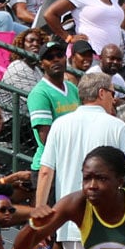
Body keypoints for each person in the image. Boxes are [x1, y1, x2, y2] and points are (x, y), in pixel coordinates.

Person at [34, 73, 125, 249]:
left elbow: (45, 173)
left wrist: (40, 219)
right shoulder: (116, 125)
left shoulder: (60, 124)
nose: (115, 100)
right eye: (113, 93)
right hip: (106, 224)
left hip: (69, 224)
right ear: (102, 92)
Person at [27, 39, 79, 178]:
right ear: (41, 64)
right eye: (49, 57)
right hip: (49, 167)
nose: (55, 60)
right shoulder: (39, 93)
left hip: (70, 163)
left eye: (59, 55)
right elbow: (46, 137)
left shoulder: (72, 88)